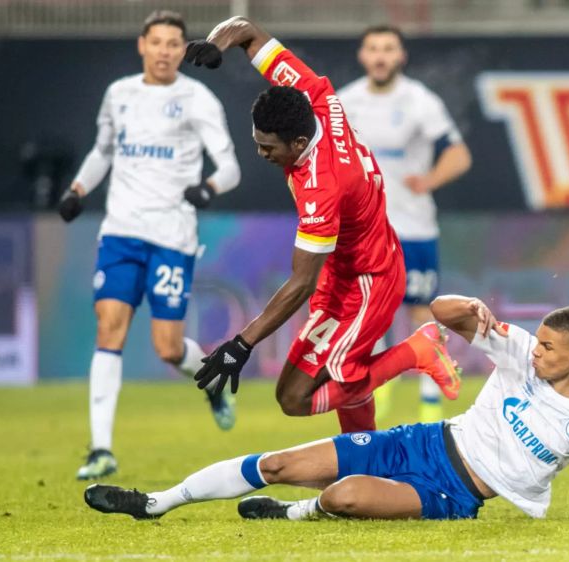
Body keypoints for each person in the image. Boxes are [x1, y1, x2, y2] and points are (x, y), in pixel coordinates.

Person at [84, 294, 569, 522]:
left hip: (457, 494)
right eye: (535, 341)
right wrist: (464, 306)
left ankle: (291, 515)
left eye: (548, 347)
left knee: (342, 497)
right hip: (422, 441)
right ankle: (157, 502)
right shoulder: (518, 352)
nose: (535, 350)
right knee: (282, 463)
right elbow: (441, 314)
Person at [181, 17, 462, 435]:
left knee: (297, 399)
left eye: (267, 147)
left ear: (297, 144)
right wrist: (217, 43)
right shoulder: (316, 95)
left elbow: (300, 283)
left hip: (369, 280)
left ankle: (417, 350)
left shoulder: (323, 186)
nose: (260, 153)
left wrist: (241, 344)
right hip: (343, 271)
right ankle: (362, 463)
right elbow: (247, 29)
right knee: (321, 386)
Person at [59, 10, 242, 480]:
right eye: (156, 42)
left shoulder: (197, 99)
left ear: (184, 49)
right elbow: (103, 152)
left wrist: (209, 189)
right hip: (121, 232)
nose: (164, 51)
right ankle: (100, 449)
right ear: (142, 45)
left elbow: (230, 167)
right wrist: (78, 190)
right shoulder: (119, 95)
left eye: (173, 43)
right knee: (110, 328)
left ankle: (214, 383)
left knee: (166, 347)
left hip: (171, 237)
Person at [337, 26, 472, 424]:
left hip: (412, 228)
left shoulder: (419, 101)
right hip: (365, 229)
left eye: (388, 49)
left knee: (421, 315)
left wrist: (429, 180)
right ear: (363, 55)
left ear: (400, 56)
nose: (380, 56)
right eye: (374, 48)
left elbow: (459, 154)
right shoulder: (345, 101)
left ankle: (430, 405)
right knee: (368, 315)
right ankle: (375, 392)